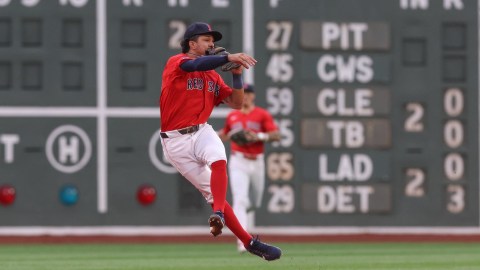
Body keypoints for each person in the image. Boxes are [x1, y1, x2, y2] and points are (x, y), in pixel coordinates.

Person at [158, 22, 281, 261]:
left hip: (201, 130)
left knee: (219, 159)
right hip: (175, 142)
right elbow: (195, 64)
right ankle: (240, 232)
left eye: (212, 40)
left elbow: (236, 102)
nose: (211, 43)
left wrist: (236, 75)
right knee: (216, 195)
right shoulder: (177, 63)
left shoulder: (212, 76)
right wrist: (228, 56)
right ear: (192, 43)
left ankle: (241, 235)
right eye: (205, 39)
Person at [218, 84, 280, 252]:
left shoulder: (262, 114)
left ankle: (245, 216)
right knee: (240, 199)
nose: (245, 96)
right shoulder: (232, 116)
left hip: (257, 161)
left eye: (248, 93)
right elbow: (224, 134)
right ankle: (243, 241)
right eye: (242, 93)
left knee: (254, 202)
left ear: (253, 96)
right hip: (239, 161)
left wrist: (259, 136)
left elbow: (276, 135)